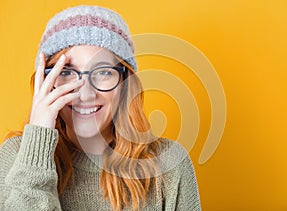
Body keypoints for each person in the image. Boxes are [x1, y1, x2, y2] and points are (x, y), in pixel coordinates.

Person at [0, 5, 201, 211]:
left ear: (125, 82)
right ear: (47, 83)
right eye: (67, 72)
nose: (85, 94)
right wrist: (38, 144)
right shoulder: (15, 157)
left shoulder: (169, 166)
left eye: (103, 72)